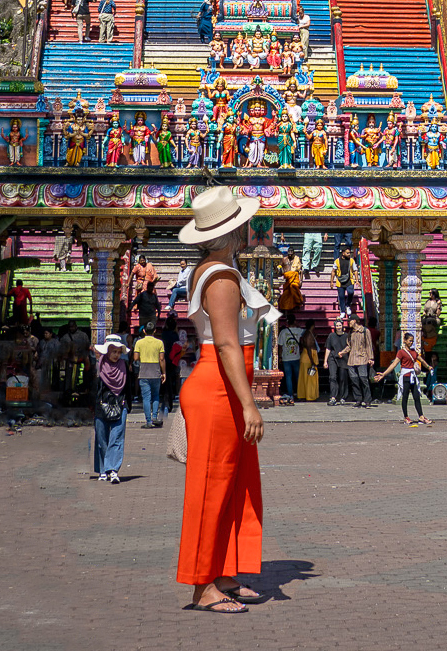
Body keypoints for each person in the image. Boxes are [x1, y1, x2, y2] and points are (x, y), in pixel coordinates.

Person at [175, 185, 266, 613]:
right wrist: (249, 403)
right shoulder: (222, 277)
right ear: (233, 231)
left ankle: (225, 571)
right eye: (244, 223)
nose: (250, 228)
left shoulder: (214, 270)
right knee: (212, 486)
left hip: (223, 383)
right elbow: (228, 345)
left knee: (235, 484)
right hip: (219, 386)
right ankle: (202, 583)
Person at [91, 335, 129, 482]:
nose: (116, 355)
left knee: (117, 438)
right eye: (113, 351)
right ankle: (103, 470)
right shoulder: (98, 366)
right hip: (101, 406)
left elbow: (129, 388)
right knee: (101, 439)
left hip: (120, 404)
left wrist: (127, 405)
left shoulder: (124, 366)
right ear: (107, 351)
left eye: (119, 352)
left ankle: (113, 470)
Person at [392, 332, 431, 426]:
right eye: (409, 341)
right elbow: (394, 364)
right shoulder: (401, 352)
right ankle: (406, 417)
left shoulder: (413, 352)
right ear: (405, 341)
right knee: (404, 397)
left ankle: (421, 416)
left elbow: (421, 360)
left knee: (416, 397)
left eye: (412, 341)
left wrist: (428, 367)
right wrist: (384, 374)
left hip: (413, 377)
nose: (411, 342)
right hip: (405, 377)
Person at [135, 324, 166, 427]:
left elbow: (135, 358)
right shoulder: (159, 342)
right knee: (156, 396)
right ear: (154, 330)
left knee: (146, 398)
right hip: (155, 372)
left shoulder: (139, 342)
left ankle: (148, 421)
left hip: (144, 372)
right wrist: (164, 372)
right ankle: (155, 417)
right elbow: (161, 359)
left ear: (144, 331)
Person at [347, 316, 375, 407]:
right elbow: (349, 346)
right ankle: (358, 399)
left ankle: (367, 400)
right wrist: (342, 352)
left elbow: (369, 345)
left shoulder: (365, 331)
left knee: (363, 380)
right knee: (354, 380)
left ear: (355, 321)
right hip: (351, 359)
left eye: (350, 321)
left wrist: (371, 358)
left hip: (362, 358)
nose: (349, 323)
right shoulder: (351, 332)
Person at [297, 324, 320, 404]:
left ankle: (303, 395)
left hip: (305, 357)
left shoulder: (305, 334)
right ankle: (310, 396)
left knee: (303, 378)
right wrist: (312, 361)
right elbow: (309, 348)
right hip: (308, 357)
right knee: (310, 378)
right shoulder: (308, 335)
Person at [279, 322, 300, 403]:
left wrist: (280, 356)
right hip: (296, 356)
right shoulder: (298, 330)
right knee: (297, 376)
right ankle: (299, 392)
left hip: (286, 357)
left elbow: (280, 345)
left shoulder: (283, 332)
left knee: (288, 376)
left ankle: (290, 394)